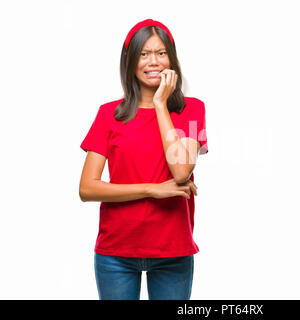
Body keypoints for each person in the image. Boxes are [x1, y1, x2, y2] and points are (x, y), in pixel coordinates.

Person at [79, 19, 208, 300]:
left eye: (161, 53)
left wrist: (161, 104)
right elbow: (87, 189)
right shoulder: (108, 114)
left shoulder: (193, 110)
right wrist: (152, 189)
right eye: (144, 54)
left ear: (172, 59)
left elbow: (181, 171)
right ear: (130, 61)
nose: (154, 62)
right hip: (116, 254)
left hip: (173, 251)